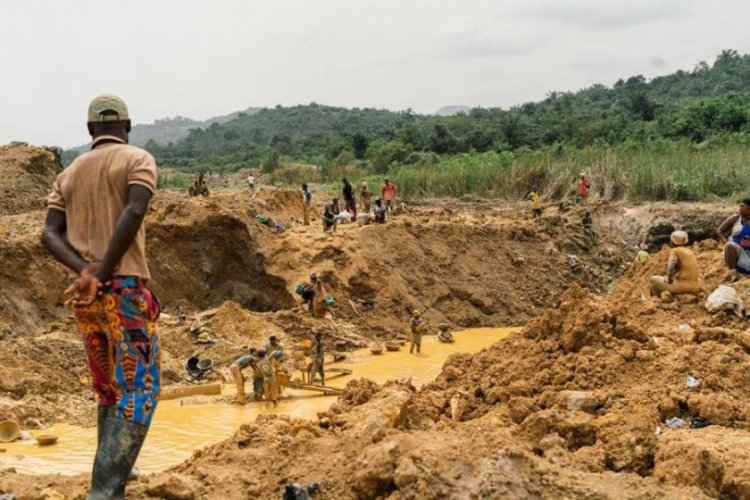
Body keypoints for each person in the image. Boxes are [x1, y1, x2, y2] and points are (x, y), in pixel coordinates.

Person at [41, 94, 160, 500]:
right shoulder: (137, 159)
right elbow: (132, 213)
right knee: (140, 386)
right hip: (123, 289)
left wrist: (84, 271)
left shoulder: (69, 173)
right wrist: (105, 272)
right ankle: (104, 490)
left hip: (88, 297)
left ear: (91, 130)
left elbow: (49, 233)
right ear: (128, 126)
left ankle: (113, 475)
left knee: (109, 387)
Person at [649, 231, 701, 297]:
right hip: (695, 287)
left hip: (682, 286)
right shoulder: (690, 252)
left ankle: (655, 300)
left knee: (653, 279)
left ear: (672, 242)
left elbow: (671, 266)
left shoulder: (675, 251)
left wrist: (669, 279)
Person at [718, 198, 750, 276]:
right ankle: (733, 274)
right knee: (730, 246)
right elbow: (720, 230)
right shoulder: (736, 218)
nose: (740, 208)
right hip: (736, 251)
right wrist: (725, 242)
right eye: (739, 206)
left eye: (742, 206)